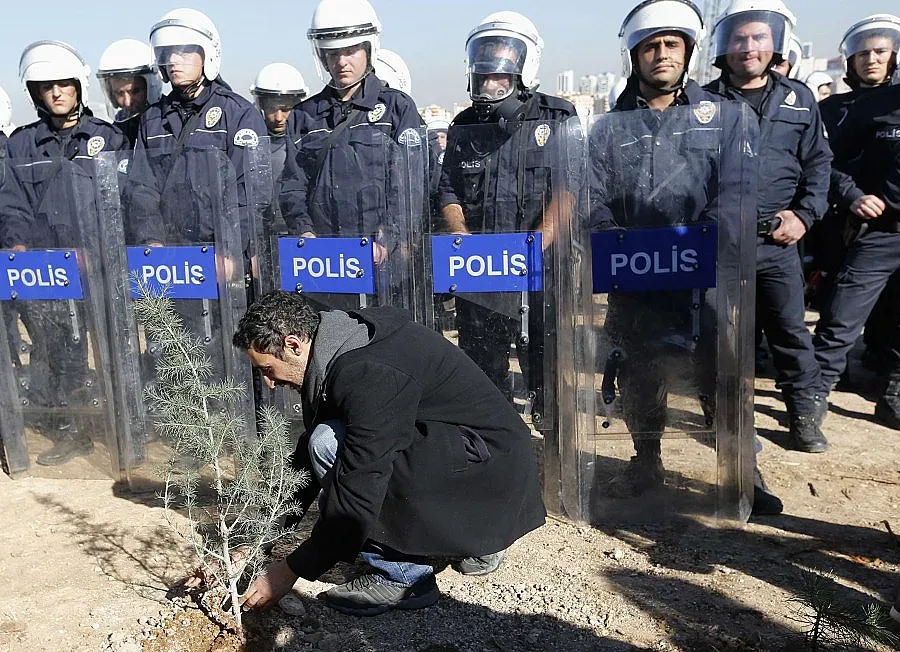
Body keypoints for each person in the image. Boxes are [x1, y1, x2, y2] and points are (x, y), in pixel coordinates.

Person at [230, 290, 545, 615]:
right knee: (323, 443)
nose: (269, 383)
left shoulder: (366, 372)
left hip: (491, 474)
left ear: (294, 345)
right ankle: (476, 541)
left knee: (328, 444)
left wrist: (290, 570)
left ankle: (405, 580)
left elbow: (360, 486)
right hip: (485, 464)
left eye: (268, 369)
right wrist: (254, 538)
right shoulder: (338, 341)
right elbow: (303, 466)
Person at [590, 0, 781, 514]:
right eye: (650, 46)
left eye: (671, 44)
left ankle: (743, 470)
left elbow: (738, 192)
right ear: (635, 56)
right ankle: (646, 460)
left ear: (689, 51)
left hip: (705, 273)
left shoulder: (725, 117)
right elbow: (593, 195)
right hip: (635, 272)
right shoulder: (609, 127)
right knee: (637, 372)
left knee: (720, 373)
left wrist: (698, 243)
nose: (661, 55)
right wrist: (615, 241)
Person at [705, 0, 832, 453]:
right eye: (739, 38)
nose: (749, 47)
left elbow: (819, 165)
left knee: (790, 333)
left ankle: (804, 413)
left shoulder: (799, 98)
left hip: (778, 243)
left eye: (758, 37)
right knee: (723, 338)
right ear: (725, 45)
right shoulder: (704, 103)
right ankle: (729, 421)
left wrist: (804, 215)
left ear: (774, 41)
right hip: (722, 246)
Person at [437, 11, 576, 415]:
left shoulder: (557, 117)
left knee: (546, 370)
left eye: (498, 72)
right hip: (481, 271)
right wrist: (464, 237)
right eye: (482, 73)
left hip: (540, 270)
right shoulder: (464, 126)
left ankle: (553, 445)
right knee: (482, 371)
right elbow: (448, 190)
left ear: (522, 67)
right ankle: (496, 449)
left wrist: (535, 246)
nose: (489, 81)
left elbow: (569, 189)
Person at [0, 40, 129, 465]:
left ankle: (124, 428)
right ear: (35, 94)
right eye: (45, 86)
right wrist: (19, 246)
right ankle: (70, 429)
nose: (55, 93)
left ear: (78, 86)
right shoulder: (21, 146)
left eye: (62, 84)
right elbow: (11, 204)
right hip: (47, 274)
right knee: (58, 353)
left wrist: (99, 251)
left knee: (113, 351)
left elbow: (129, 201)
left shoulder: (109, 138)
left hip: (101, 270)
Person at [278, 0, 421, 251]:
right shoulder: (304, 116)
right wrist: (304, 231)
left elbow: (409, 187)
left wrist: (390, 237)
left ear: (369, 49)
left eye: (351, 50)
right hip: (324, 257)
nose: (341, 61)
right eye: (333, 53)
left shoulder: (397, 107)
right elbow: (293, 185)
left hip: (382, 256)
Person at [127, 8, 267, 247]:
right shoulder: (152, 119)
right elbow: (142, 189)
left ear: (208, 53)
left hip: (220, 254)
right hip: (169, 256)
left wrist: (232, 250)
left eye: (183, 52)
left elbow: (252, 194)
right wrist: (151, 240)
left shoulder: (237, 114)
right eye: (167, 53)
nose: (173, 61)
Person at [812, 71, 900, 429]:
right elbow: (828, 162)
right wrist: (854, 196)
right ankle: (813, 394)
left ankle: (894, 391)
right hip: (880, 232)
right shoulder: (875, 107)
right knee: (840, 318)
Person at [249, 62, 308, 232]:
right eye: (272, 109)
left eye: (286, 109)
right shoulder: (248, 143)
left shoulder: (310, 142)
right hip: (260, 234)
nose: (279, 117)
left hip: (299, 232)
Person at [96, 39, 163, 146]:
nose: (127, 102)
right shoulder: (117, 130)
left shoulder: (168, 123)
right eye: (119, 93)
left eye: (135, 91)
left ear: (151, 86)